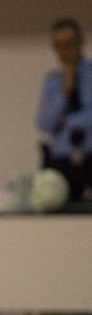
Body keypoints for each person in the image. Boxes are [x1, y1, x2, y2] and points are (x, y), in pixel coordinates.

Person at [36, 17, 92, 201]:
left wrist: (68, 121)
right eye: (58, 45)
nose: (65, 51)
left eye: (69, 43)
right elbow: (44, 123)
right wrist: (64, 94)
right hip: (62, 164)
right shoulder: (52, 83)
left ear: (80, 41)